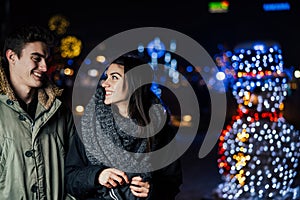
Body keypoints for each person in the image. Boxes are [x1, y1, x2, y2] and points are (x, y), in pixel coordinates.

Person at [65, 51, 183, 199]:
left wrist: (152, 190)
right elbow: (69, 179)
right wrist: (97, 176)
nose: (105, 83)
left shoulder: (160, 130)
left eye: (114, 77)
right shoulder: (90, 125)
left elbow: (172, 182)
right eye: (106, 77)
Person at [0, 25, 76, 199]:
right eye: (36, 58)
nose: (44, 67)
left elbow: (75, 170)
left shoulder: (60, 111)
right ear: (12, 57)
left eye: (46, 60)